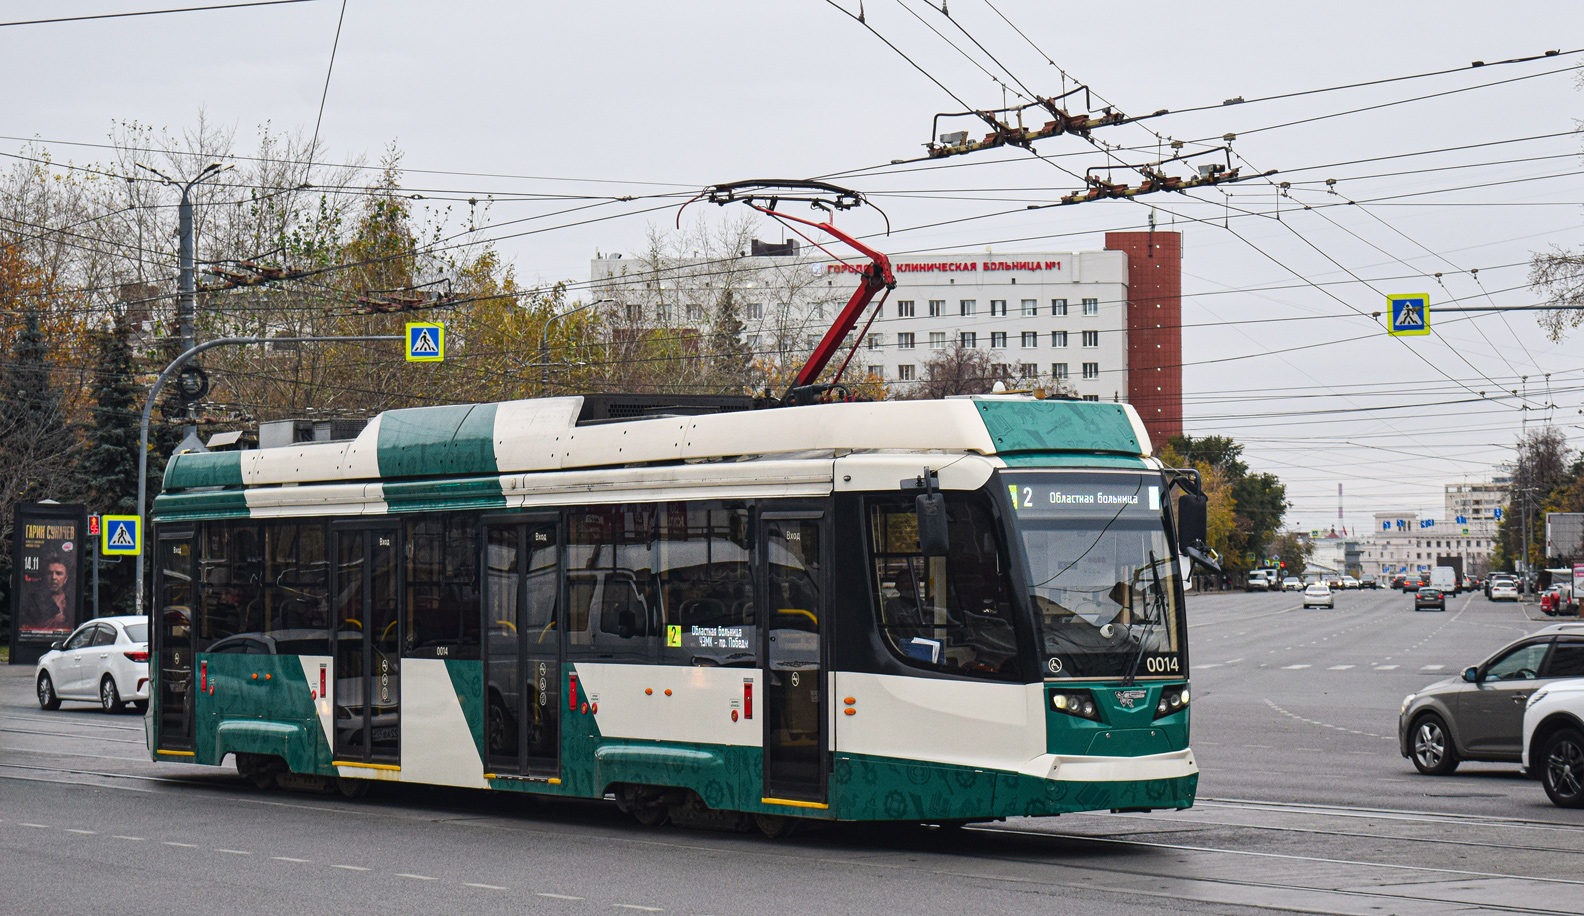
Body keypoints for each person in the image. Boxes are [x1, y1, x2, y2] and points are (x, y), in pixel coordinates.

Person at [20, 552, 72, 633]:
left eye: (59, 573)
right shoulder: (34, 600)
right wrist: (54, 621)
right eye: (49, 573)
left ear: (66, 578)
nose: (54, 577)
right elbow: (30, 628)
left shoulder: (71, 602)